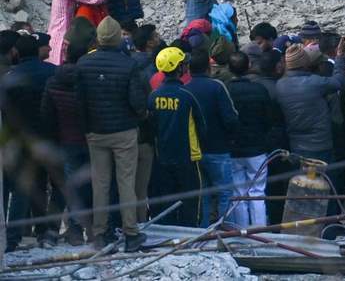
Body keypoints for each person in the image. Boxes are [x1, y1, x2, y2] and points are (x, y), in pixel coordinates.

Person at [76, 18, 149, 251]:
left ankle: (100, 233)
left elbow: (80, 101)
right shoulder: (128, 65)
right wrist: (140, 116)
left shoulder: (83, 63)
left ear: (98, 37)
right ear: (119, 37)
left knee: (101, 184)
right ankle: (131, 234)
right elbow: (137, 101)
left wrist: (87, 127)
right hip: (124, 132)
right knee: (126, 182)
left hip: (96, 133)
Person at [2, 34, 62, 249]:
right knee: (56, 184)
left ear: (17, 53)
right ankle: (49, 230)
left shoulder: (11, 77)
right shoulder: (53, 71)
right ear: (38, 51)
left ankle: (13, 237)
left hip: (22, 140)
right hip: (52, 137)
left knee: (24, 186)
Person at [147, 47, 207, 227]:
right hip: (188, 157)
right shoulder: (187, 95)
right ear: (179, 68)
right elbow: (202, 127)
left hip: (162, 157)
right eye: (183, 64)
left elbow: (150, 127)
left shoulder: (153, 96)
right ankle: (190, 234)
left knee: (167, 199)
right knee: (191, 201)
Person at [180, 47, 240, 226]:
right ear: (209, 68)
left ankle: (204, 233)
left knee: (203, 195)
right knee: (225, 193)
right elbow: (230, 118)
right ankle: (227, 231)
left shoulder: (185, 89)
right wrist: (231, 138)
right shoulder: (217, 87)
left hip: (195, 151)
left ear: (189, 70)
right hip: (219, 148)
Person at [40, 39, 91, 244]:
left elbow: (47, 115)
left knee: (65, 186)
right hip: (87, 139)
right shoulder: (86, 79)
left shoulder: (53, 80)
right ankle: (79, 229)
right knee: (87, 186)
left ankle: (58, 231)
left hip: (64, 141)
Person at [275, 40, 345, 173]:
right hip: (320, 144)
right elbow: (338, 82)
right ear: (305, 62)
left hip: (295, 144)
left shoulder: (280, 85)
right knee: (324, 183)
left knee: (303, 183)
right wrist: (340, 56)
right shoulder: (314, 83)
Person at [226, 51, 280, 228]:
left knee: (238, 193)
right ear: (248, 66)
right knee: (257, 191)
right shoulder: (259, 89)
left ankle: (241, 231)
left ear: (229, 68)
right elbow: (269, 119)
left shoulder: (226, 90)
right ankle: (259, 231)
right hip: (257, 148)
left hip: (234, 149)